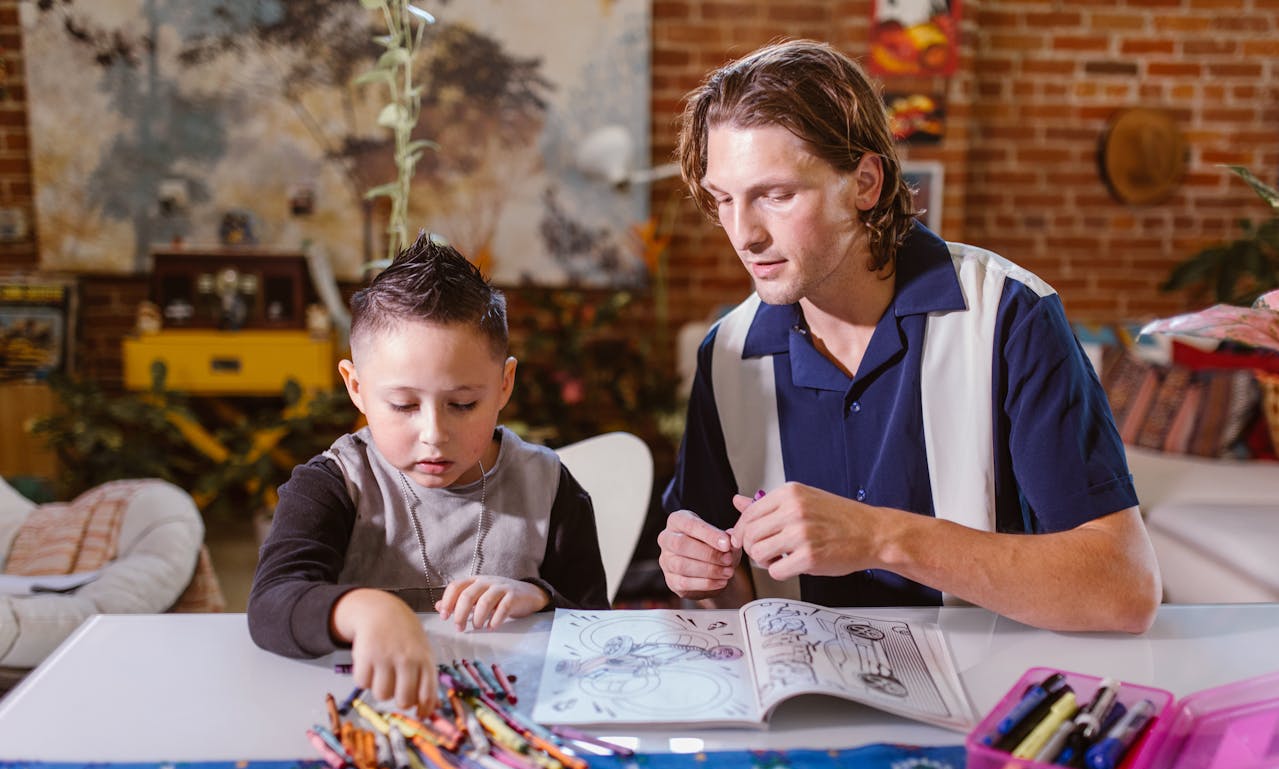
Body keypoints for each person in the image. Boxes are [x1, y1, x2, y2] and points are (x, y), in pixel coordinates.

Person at [657, 39, 1161, 633]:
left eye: (777, 194)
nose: (744, 234)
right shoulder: (727, 353)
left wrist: (880, 537)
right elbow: (729, 602)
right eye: (723, 200)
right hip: (800, 709)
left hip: (986, 703)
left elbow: (1123, 589)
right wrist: (701, 576)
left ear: (866, 183)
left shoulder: (1010, 316)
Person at [248, 235, 609, 714]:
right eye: (403, 405)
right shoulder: (336, 484)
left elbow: (597, 622)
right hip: (371, 716)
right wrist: (365, 610)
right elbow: (271, 604)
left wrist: (540, 596)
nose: (434, 434)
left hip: (513, 718)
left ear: (504, 384)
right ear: (356, 387)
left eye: (462, 404)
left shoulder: (547, 485)